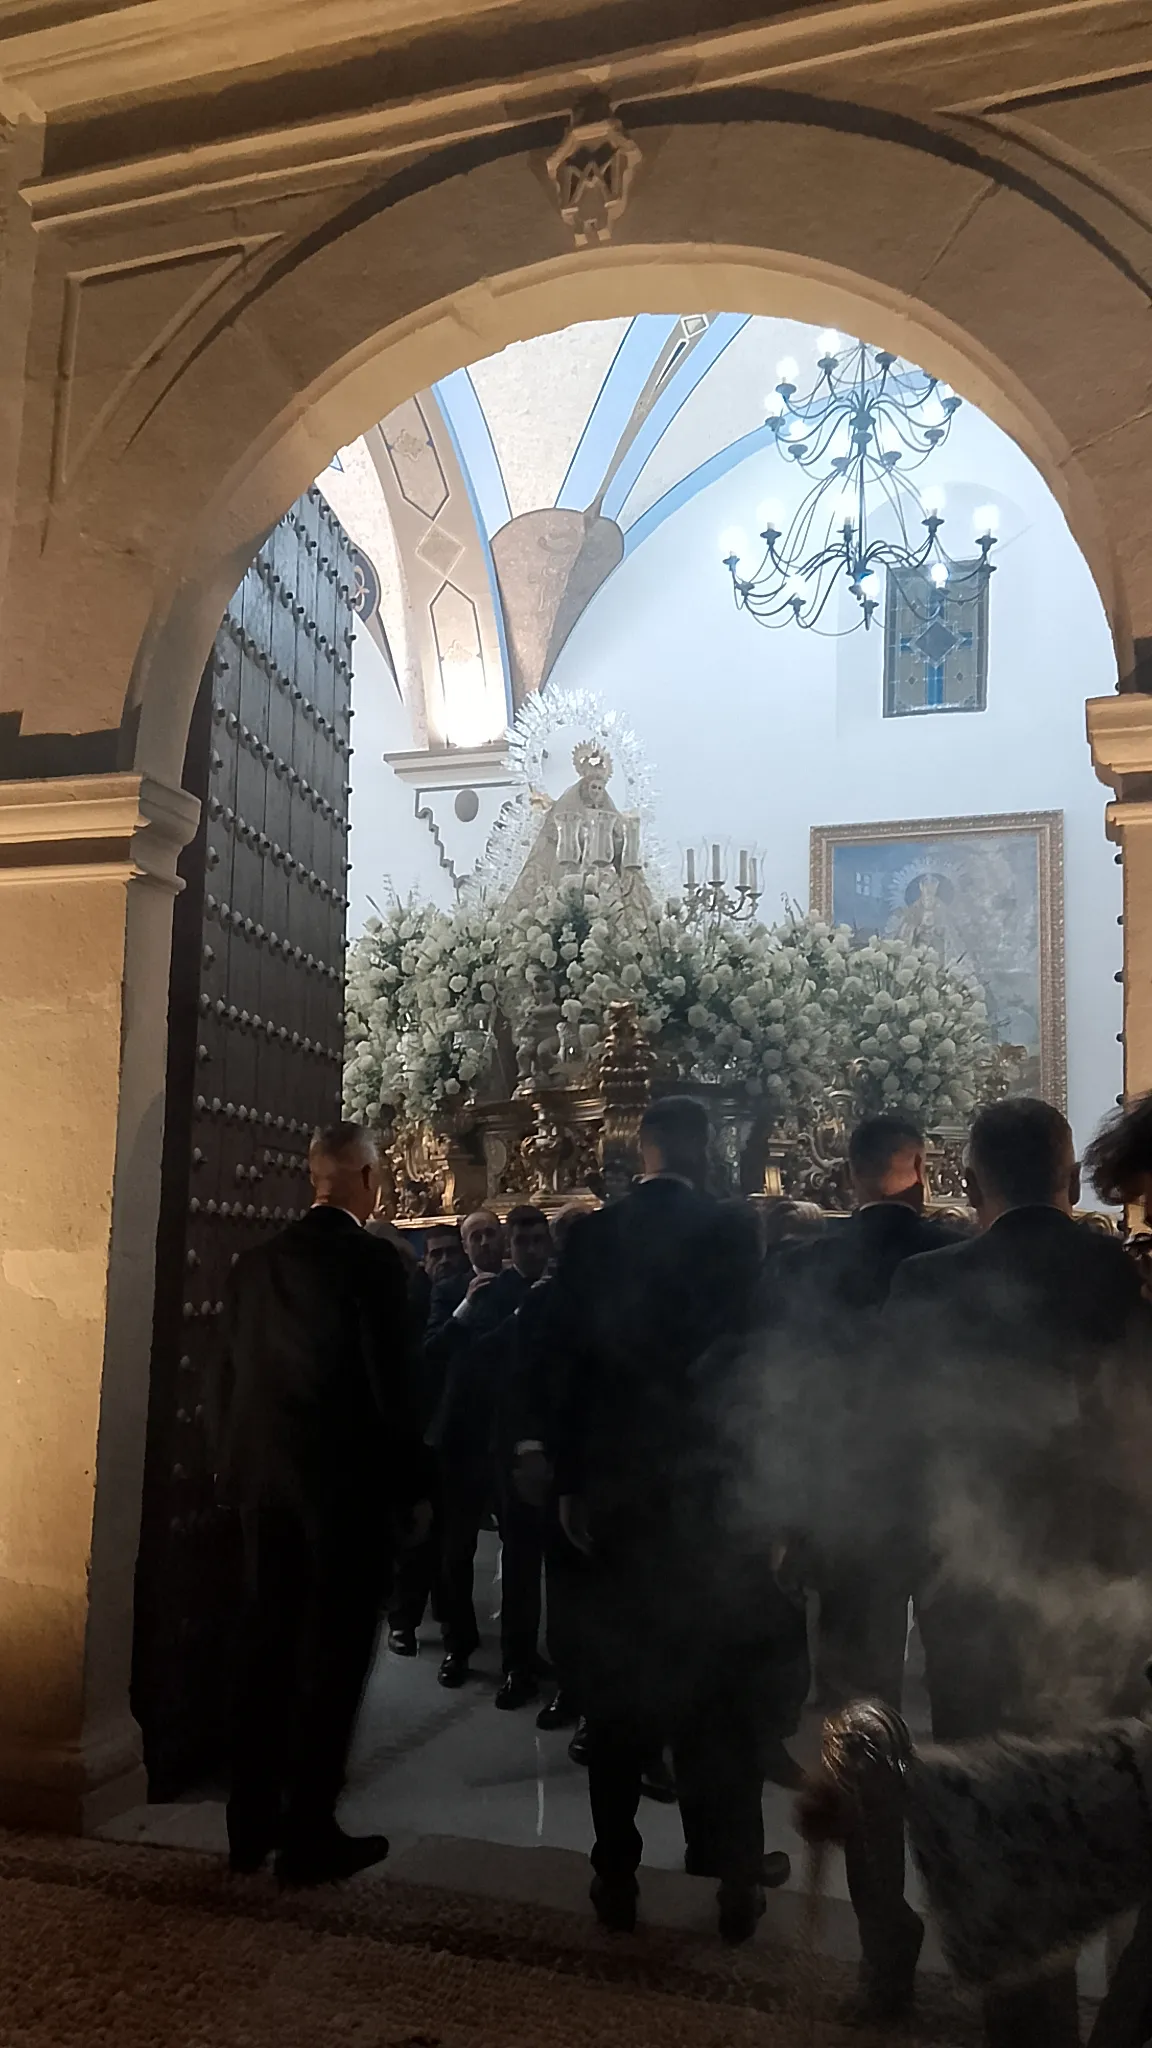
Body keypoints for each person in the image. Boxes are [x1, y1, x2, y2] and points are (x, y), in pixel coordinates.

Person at [843, 1097, 1151, 2043]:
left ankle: (1032, 2018)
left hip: (968, 1593)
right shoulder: (1119, 1272)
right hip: (1109, 1589)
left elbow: (888, 1443)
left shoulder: (929, 1285)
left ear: (972, 1182)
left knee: (1002, 1810)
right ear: (1066, 1179)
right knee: (1112, 1790)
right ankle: (1124, 1998)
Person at [548, 1095, 796, 1944]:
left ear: (642, 1150)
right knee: (719, 1692)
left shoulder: (591, 1234)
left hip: (618, 1491)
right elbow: (752, 1361)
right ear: (703, 1150)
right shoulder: (731, 1232)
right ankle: (735, 1878)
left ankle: (613, 1873)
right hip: (708, 1492)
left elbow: (570, 1363)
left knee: (618, 1692)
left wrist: (573, 1482)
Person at [213, 1123, 431, 1885]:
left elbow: (227, 1382)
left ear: (316, 1179)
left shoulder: (253, 1266)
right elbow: (392, 1387)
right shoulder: (373, 1264)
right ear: (368, 1179)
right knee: (332, 1660)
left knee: (264, 1647)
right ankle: (308, 1832)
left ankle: (248, 1827)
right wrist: (412, 1490)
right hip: (344, 1494)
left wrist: (231, 1472)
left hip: (261, 1487)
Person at [767, 1114, 962, 1712]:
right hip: (948, 1500)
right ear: (923, 1171)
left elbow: (783, 1395)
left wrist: (789, 1513)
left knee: (856, 1692)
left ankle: (866, 1799)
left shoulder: (803, 1266)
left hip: (844, 1499)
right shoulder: (959, 1258)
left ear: (849, 1174)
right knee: (963, 1681)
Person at [425, 1207, 550, 1688]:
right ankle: (458, 1646)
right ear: (464, 1242)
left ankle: (520, 1655)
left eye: (490, 1236)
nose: (483, 1244)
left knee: (521, 1551)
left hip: (510, 1435)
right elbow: (448, 1355)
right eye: (473, 1236)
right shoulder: (453, 1291)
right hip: (461, 1436)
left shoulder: (527, 1289)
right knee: (456, 1548)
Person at [386, 1222, 469, 1657]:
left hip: (454, 1428)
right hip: (415, 1427)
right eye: (433, 1254)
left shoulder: (468, 1293)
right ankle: (404, 1619)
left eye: (449, 1253)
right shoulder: (411, 1300)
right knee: (415, 1534)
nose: (442, 1262)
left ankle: (448, 1614)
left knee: (451, 1534)